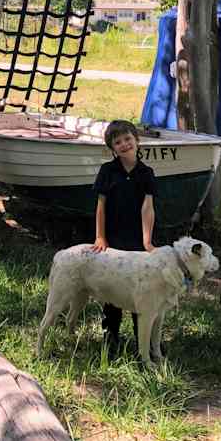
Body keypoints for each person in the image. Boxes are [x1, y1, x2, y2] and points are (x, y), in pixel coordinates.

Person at [91, 119, 157, 356]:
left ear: (137, 141)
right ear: (112, 148)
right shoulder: (108, 171)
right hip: (113, 241)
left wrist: (147, 241)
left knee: (142, 289)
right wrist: (100, 237)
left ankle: (143, 341)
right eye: (118, 142)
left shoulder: (146, 173)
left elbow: (147, 208)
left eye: (128, 139)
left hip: (137, 241)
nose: (124, 144)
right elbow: (100, 205)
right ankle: (111, 335)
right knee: (113, 289)